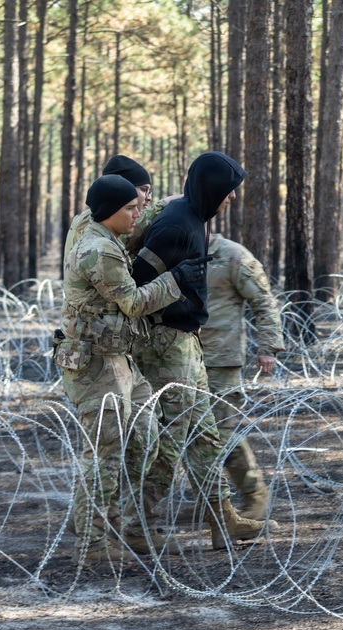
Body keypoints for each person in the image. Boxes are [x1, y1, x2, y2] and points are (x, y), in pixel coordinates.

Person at [57, 174, 206, 561]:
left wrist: (179, 199)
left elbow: (141, 210)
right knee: (104, 453)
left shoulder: (105, 233)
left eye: (139, 206)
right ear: (108, 213)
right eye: (130, 208)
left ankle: (124, 526)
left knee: (146, 437)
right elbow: (135, 303)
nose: (138, 213)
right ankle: (92, 545)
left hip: (119, 358)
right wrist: (175, 280)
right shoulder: (99, 251)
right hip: (94, 365)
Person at [131, 151, 276, 550]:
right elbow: (135, 285)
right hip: (168, 346)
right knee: (176, 439)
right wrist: (174, 284)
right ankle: (136, 524)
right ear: (211, 187)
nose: (231, 198)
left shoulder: (195, 223)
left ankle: (222, 519)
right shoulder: (178, 226)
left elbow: (263, 302)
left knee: (207, 438)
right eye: (228, 190)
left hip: (193, 346)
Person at [202, 233, 285, 520]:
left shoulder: (233, 255)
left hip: (221, 359)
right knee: (189, 434)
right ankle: (211, 503)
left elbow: (263, 301)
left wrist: (268, 347)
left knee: (222, 434)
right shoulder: (174, 248)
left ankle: (253, 495)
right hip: (178, 359)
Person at [64, 155, 154, 265]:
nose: (149, 197)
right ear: (124, 188)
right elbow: (138, 227)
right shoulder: (91, 221)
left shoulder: (98, 216)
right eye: (144, 190)